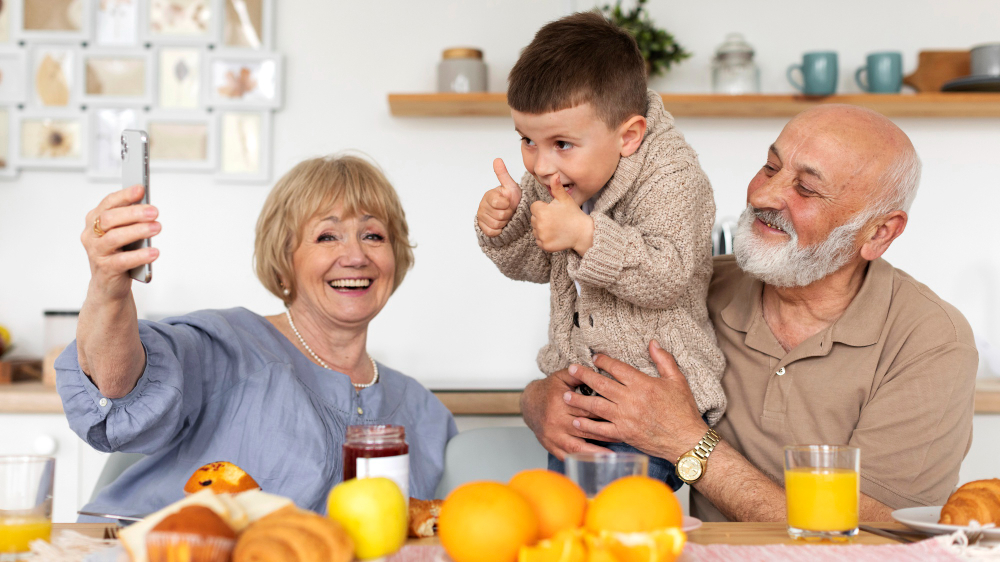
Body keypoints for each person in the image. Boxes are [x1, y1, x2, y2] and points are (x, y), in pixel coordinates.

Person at [520, 104, 978, 521]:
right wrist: (541, 401)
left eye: (806, 188)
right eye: (770, 166)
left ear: (878, 233)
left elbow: (875, 537)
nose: (763, 195)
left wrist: (686, 440)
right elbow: (593, 351)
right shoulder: (691, 287)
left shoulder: (932, 340)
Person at [57, 155, 457, 520]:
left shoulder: (425, 415)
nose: (355, 256)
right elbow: (117, 387)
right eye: (327, 236)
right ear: (284, 261)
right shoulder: (226, 347)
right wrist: (109, 287)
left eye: (373, 236)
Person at [474, 11, 726, 489]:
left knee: (614, 527)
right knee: (573, 523)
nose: (542, 163)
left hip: (653, 401)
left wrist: (586, 234)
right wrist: (502, 226)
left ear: (628, 135)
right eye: (527, 140)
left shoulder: (674, 178)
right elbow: (531, 263)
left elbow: (668, 276)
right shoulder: (555, 173)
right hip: (580, 394)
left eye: (562, 143)